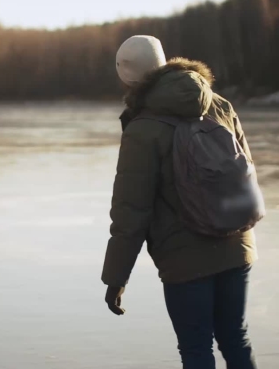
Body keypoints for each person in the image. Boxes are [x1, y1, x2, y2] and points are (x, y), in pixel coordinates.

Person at [102, 35, 258, 369]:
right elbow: (246, 170)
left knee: (196, 348)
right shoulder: (219, 105)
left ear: (126, 76)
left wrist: (116, 278)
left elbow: (132, 212)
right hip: (236, 244)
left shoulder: (142, 129)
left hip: (185, 259)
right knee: (235, 337)